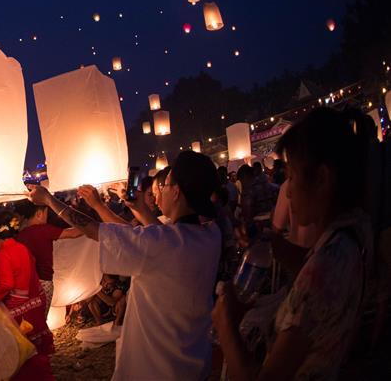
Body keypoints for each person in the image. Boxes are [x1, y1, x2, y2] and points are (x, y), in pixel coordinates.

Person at [28, 152, 222, 381]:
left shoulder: (161, 242)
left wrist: (49, 200)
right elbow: (146, 237)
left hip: (156, 368)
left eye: (165, 185)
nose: (160, 191)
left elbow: (95, 230)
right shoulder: (210, 233)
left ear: (177, 191)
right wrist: (137, 208)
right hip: (192, 358)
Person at [212, 107, 372, 380]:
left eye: (292, 176)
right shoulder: (353, 230)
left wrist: (226, 327)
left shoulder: (325, 266)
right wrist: (274, 244)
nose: (288, 189)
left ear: (322, 178)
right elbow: (318, 283)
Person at [0, 211, 54, 381]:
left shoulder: (3, 255)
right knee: (36, 347)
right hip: (35, 301)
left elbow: (6, 284)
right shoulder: (22, 248)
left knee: (20, 348)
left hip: (18, 307)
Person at [14, 199, 82, 316]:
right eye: (46, 213)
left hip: (25, 283)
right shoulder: (43, 229)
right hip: (44, 281)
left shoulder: (20, 234)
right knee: (41, 318)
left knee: (30, 317)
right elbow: (73, 233)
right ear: (39, 214)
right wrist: (91, 227)